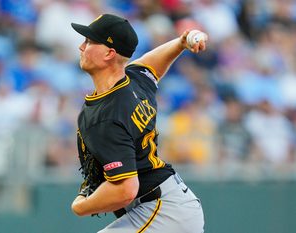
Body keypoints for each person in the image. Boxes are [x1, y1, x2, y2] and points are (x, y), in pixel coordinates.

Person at [70, 13, 206, 233]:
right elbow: (153, 63)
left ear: (109, 53)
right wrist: (180, 43)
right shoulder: (134, 80)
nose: (81, 46)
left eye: (89, 41)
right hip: (169, 205)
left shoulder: (106, 115)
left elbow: (125, 190)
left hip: (162, 211)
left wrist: (81, 207)